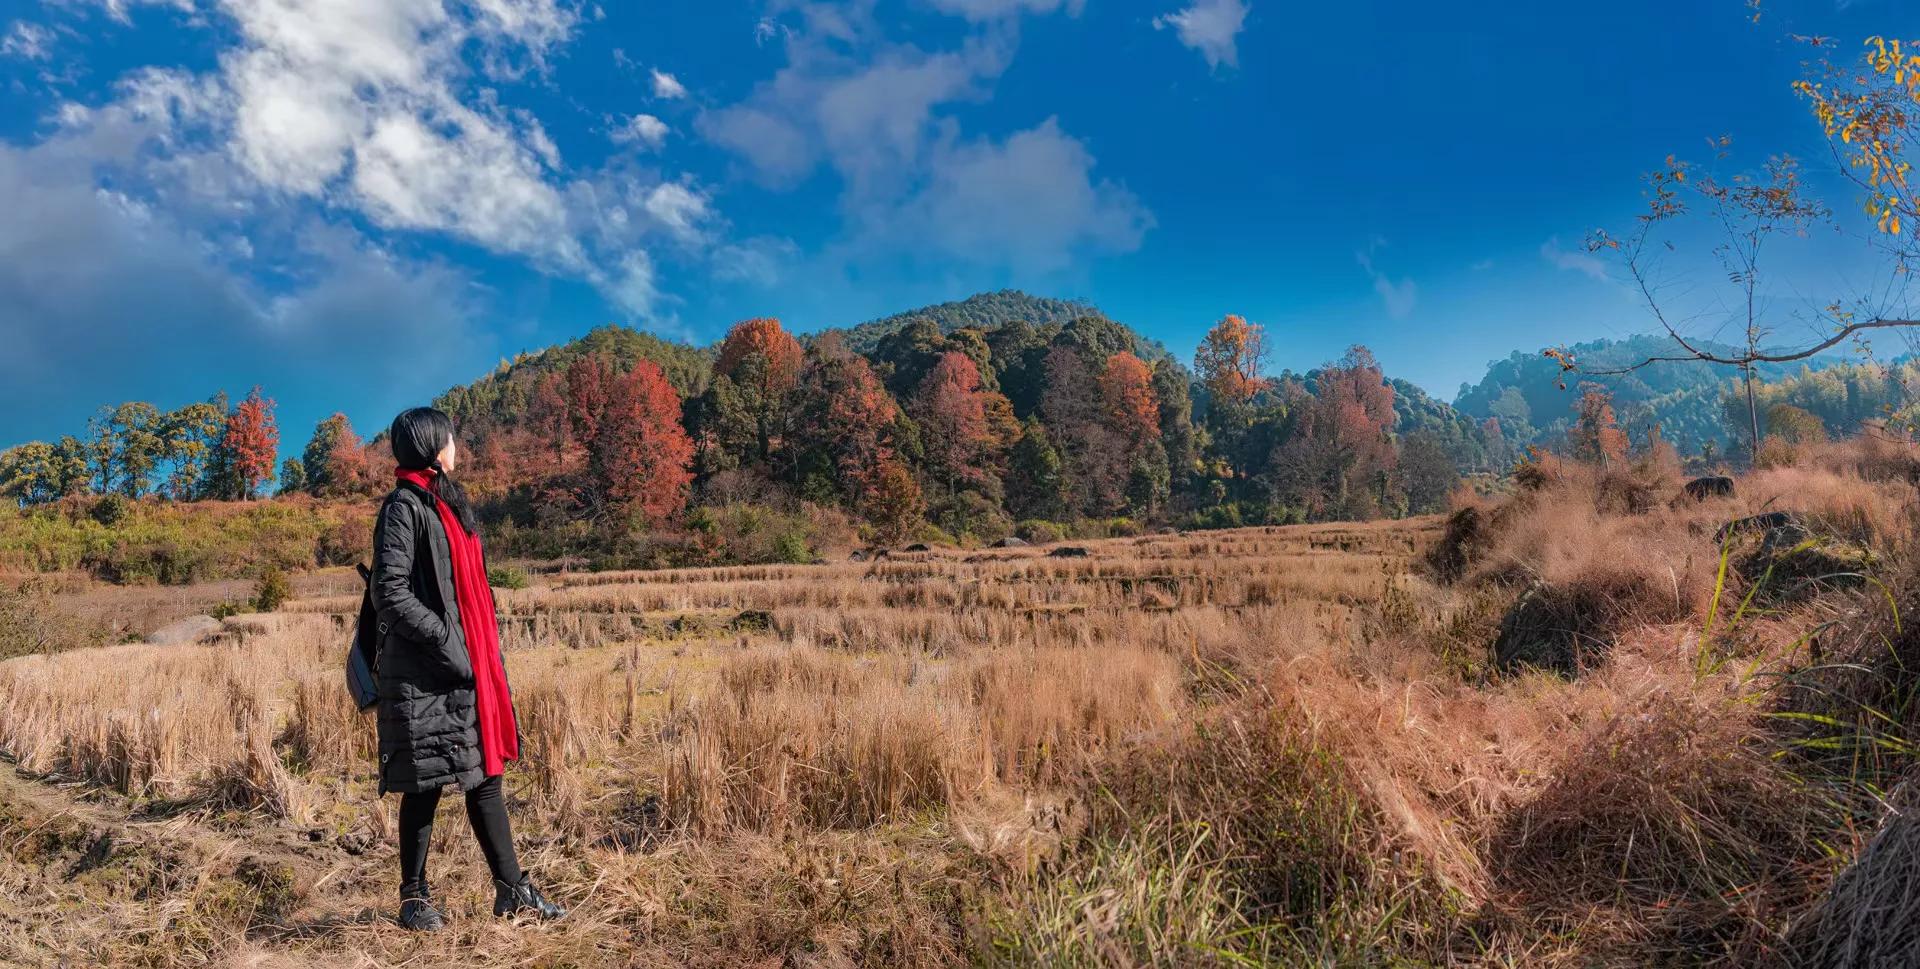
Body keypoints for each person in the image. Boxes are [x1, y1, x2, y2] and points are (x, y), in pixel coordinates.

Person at [370, 406, 564, 931]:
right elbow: (389, 593)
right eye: (451, 439)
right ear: (435, 446)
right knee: (423, 783)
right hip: (427, 672)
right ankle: (413, 900)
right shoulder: (403, 507)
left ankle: (511, 890)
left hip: (467, 665)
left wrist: (470, 650)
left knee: (484, 777)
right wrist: (449, 641)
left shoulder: (448, 505)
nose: (457, 447)